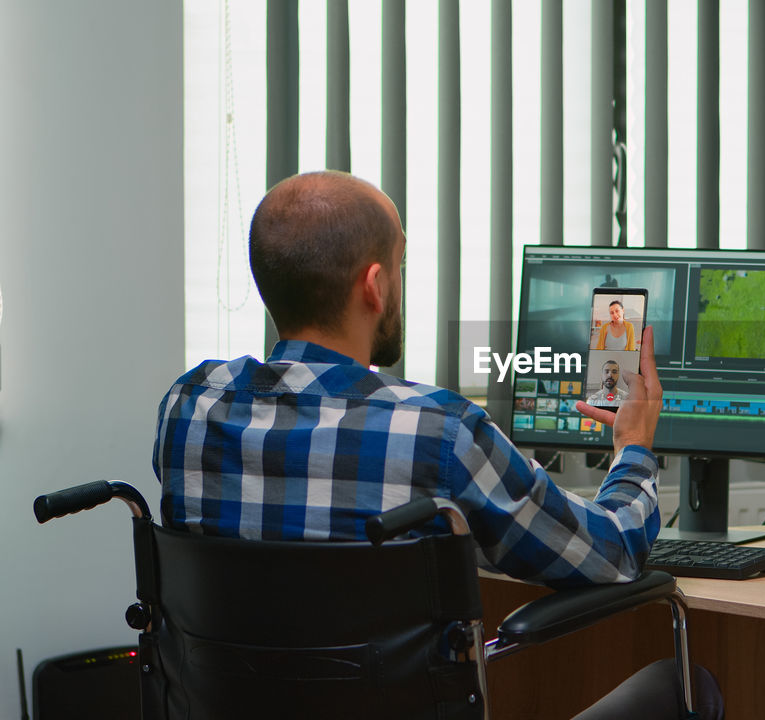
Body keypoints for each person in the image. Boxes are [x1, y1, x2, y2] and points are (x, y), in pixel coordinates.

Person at [152, 171, 721, 719]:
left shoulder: (189, 407)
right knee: (688, 685)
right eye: (400, 266)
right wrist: (634, 447)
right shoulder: (439, 431)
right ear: (374, 285)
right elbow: (610, 555)